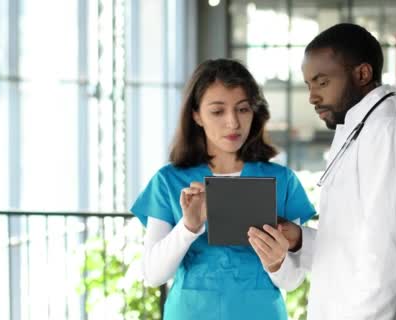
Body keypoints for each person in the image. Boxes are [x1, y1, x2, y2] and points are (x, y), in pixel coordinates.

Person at [247, 23, 396, 319]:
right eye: (309, 85)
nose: (312, 97)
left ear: (362, 74)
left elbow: (388, 260)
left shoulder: (393, 132)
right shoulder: (363, 130)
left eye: (322, 82)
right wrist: (301, 239)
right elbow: (353, 251)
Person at [130, 58, 316, 320]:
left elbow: (292, 281)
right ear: (196, 115)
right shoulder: (168, 181)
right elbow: (152, 275)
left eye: (242, 109)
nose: (233, 123)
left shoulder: (282, 180)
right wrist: (188, 227)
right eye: (218, 111)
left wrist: (277, 262)